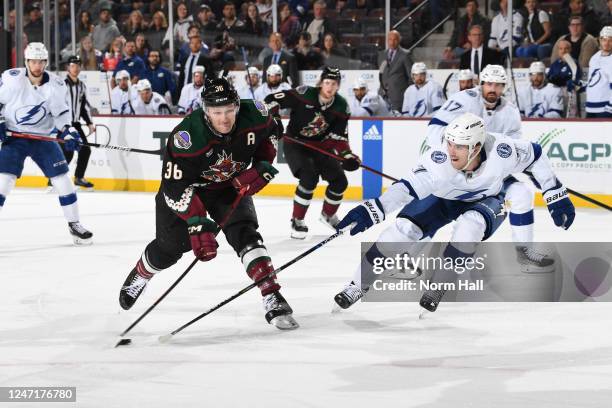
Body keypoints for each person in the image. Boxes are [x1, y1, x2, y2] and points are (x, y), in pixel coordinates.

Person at [332, 112, 575, 313]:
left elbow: (536, 155)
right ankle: (357, 285)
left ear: (477, 146)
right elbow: (405, 189)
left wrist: (555, 193)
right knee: (402, 230)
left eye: (460, 146)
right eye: (449, 142)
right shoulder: (438, 161)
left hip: (487, 198)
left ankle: (438, 286)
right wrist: (373, 209)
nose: (451, 150)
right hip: (443, 198)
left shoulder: (503, 150)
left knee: (470, 228)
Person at [118, 77, 299, 330]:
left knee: (246, 234)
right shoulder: (186, 137)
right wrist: (196, 222)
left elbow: (273, 131)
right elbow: (173, 188)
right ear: (206, 111)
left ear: (237, 106)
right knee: (171, 247)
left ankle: (272, 294)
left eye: (228, 111)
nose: (224, 119)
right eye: (216, 112)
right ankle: (142, 272)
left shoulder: (256, 113)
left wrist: (261, 166)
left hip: (228, 187)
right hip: (190, 191)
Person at [426, 65, 552, 273]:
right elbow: (434, 129)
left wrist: (530, 168)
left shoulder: (510, 111)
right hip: (456, 170)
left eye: (498, 85)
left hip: (490, 174)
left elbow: (513, 148)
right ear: (481, 84)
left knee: (521, 193)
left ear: (504, 87)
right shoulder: (464, 99)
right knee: (429, 209)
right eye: (489, 83)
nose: (493, 88)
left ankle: (524, 252)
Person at [0, 43, 93, 245]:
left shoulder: (56, 85)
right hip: (14, 137)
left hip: (42, 138)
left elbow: (60, 114)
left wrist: (68, 132)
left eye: (41, 61)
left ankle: (74, 224)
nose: (37, 65)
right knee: (3, 182)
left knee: (63, 181)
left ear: (45, 62)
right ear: (26, 62)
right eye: (33, 61)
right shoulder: (13, 79)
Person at [264, 67, 361, 239]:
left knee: (340, 181)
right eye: (327, 83)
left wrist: (347, 156)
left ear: (338, 86)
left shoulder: (341, 106)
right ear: (321, 83)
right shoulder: (305, 93)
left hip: (321, 147)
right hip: (296, 144)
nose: (329, 87)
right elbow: (271, 100)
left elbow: (338, 137)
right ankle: (297, 220)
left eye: (334, 84)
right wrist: (276, 120)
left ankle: (328, 215)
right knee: (309, 178)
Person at [62, 56, 96, 189]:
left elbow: (83, 107)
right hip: (64, 124)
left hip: (75, 124)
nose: (76, 68)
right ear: (68, 67)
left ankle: (79, 177)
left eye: (78, 65)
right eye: (73, 65)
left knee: (85, 150)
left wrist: (89, 123)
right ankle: (54, 178)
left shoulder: (82, 85)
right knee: (68, 153)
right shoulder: (62, 85)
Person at [378, 30, 414, 112]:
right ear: (387, 40)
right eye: (390, 40)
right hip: (383, 96)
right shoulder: (382, 55)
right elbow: (382, 74)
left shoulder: (405, 54)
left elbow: (411, 77)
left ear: (399, 40)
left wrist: (407, 94)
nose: (392, 42)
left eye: (395, 40)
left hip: (399, 98)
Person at [586, 26, 612, 117]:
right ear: (600, 40)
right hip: (590, 107)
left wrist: (610, 107)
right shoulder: (594, 57)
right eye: (604, 39)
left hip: (605, 108)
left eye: (610, 40)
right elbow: (592, 81)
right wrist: (579, 84)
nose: (607, 43)